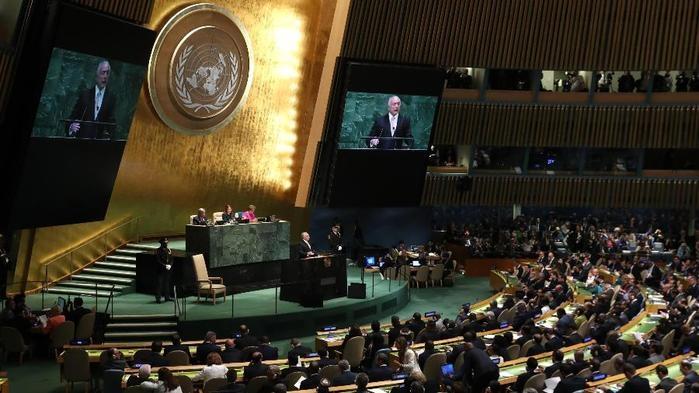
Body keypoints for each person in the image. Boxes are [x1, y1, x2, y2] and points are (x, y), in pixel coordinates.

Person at [67, 60, 117, 139]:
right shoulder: (85, 95)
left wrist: (110, 135)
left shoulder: (111, 98)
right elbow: (72, 117)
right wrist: (71, 126)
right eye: (103, 72)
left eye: (107, 73)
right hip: (82, 141)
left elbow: (112, 123)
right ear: (96, 75)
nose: (105, 76)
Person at [155, 237, 173, 303]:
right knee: (159, 284)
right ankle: (158, 298)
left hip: (167, 270)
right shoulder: (158, 250)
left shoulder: (169, 250)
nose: (166, 243)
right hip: (160, 270)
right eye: (165, 242)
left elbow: (171, 259)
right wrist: (165, 265)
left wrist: (170, 265)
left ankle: (167, 297)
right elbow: (158, 260)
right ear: (162, 243)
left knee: (167, 283)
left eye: (167, 242)